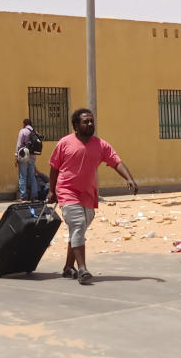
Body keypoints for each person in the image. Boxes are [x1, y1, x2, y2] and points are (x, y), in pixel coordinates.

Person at [47, 108, 138, 285]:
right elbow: (54, 167)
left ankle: (67, 268)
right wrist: (52, 190)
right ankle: (82, 269)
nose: (90, 124)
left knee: (78, 230)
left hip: (88, 194)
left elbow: (115, 161)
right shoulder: (64, 143)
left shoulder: (101, 145)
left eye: (91, 121)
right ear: (76, 125)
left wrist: (129, 178)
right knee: (78, 224)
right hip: (67, 191)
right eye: (85, 121)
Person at [15, 119, 39, 201]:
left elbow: (19, 144)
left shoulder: (23, 131)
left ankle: (23, 196)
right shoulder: (34, 132)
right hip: (33, 156)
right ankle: (34, 195)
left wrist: (16, 156)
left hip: (24, 155)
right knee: (32, 176)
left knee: (22, 176)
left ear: (24, 124)